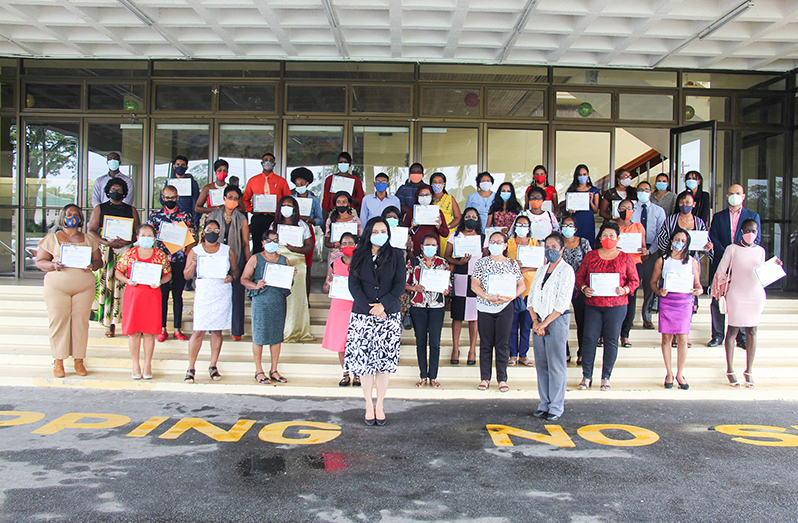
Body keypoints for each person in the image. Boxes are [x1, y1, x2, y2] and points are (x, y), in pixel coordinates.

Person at [345, 217, 406, 426]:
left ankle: (380, 403)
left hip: (388, 316)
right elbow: (354, 286)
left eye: (384, 230)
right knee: (365, 364)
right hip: (363, 315)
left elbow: (399, 285)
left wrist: (384, 306)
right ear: (368, 233)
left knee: (383, 363)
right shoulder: (358, 255)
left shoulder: (397, 254)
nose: (380, 234)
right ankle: (368, 405)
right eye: (376, 231)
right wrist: (371, 309)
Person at [36, 205, 103, 378]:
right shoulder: (52, 238)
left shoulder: (88, 239)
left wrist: (93, 265)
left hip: (84, 287)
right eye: (68, 214)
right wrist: (53, 265)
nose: (72, 217)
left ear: (81, 218)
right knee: (58, 321)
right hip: (57, 287)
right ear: (62, 218)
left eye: (75, 214)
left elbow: (99, 261)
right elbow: (40, 261)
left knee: (81, 323)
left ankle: (79, 360)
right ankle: (58, 361)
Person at [575, 222, 640, 391]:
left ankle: (606, 377)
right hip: (593, 304)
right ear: (600, 238)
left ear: (618, 238)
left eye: (612, 236)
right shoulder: (591, 256)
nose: (608, 238)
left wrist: (625, 289)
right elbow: (579, 277)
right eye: (604, 235)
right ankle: (586, 376)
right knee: (589, 339)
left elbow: (634, 281)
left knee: (611, 340)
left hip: (617, 305)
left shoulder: (625, 257)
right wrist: (584, 288)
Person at [711, 219, 773, 388]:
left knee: (752, 330)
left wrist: (773, 268)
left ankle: (749, 370)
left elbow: (763, 273)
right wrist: (723, 285)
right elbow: (720, 271)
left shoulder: (761, 251)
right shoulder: (732, 249)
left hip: (756, 294)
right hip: (737, 294)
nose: (750, 234)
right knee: (732, 330)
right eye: (747, 231)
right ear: (741, 231)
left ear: (757, 232)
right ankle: (730, 369)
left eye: (753, 231)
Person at [182, 220, 239, 384]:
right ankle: (191, 367)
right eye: (209, 229)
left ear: (219, 232)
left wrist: (231, 277)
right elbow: (186, 275)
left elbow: (235, 271)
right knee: (198, 331)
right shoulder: (195, 250)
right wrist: (193, 262)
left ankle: (213, 365)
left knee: (217, 331)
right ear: (204, 231)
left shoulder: (227, 250)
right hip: (204, 294)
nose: (212, 232)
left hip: (221, 292)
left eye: (215, 230)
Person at [114, 224, 172, 380]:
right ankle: (135, 365)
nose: (146, 238)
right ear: (137, 238)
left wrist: (160, 282)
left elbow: (168, 275)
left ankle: (147, 364)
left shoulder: (160, 255)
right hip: (133, 295)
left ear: (154, 238)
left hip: (152, 295)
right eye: (143, 236)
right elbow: (118, 272)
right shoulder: (129, 254)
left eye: (149, 236)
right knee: (133, 333)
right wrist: (127, 280)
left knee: (149, 333)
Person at [528, 232, 575, 422]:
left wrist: (544, 323)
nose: (550, 250)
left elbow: (562, 302)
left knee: (556, 364)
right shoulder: (541, 270)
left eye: (554, 247)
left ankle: (556, 406)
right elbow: (531, 298)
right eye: (547, 247)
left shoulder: (566, 271)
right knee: (542, 364)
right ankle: (544, 403)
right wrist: (535, 322)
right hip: (538, 321)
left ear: (562, 249)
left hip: (556, 320)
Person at [708, 184, 761, 348]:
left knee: (742, 301)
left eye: (737, 193)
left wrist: (737, 253)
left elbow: (755, 240)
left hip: (743, 267)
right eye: (731, 193)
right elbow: (713, 237)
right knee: (718, 300)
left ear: (743, 196)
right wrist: (728, 253)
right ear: (726, 196)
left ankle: (742, 337)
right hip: (722, 264)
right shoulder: (718, 216)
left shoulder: (752, 215)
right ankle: (717, 335)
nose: (734, 196)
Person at [471, 231, 526, 392]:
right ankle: (485, 378)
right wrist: (487, 297)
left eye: (499, 242)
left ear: (505, 245)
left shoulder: (512, 264)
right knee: (486, 344)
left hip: (505, 307)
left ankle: (502, 379)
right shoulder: (481, 262)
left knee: (503, 344)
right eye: (492, 242)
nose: (495, 245)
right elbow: (474, 285)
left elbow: (521, 285)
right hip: (485, 306)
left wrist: (510, 297)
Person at [87, 177, 140, 338]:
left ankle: (128, 322)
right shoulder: (99, 208)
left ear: (124, 192)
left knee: (126, 287)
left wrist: (128, 240)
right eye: (113, 190)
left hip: (125, 251)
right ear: (107, 191)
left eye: (119, 190)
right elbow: (91, 230)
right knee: (109, 286)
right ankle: (109, 323)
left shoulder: (131, 210)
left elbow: (138, 232)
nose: (115, 192)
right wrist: (106, 242)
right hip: (107, 252)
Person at [240, 230, 295, 385]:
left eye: (275, 240)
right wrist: (255, 285)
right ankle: (258, 370)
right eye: (269, 241)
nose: (272, 244)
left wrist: (291, 276)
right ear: (263, 243)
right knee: (259, 335)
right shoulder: (255, 258)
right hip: (261, 300)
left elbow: (289, 284)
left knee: (276, 336)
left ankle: (274, 369)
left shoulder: (284, 260)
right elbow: (244, 279)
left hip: (278, 300)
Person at [650, 229, 702, 390]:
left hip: (684, 302)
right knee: (666, 338)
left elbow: (698, 284)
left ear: (687, 244)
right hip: (667, 301)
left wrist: (698, 291)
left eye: (683, 241)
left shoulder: (692, 261)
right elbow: (653, 282)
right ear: (671, 240)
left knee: (683, 339)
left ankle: (680, 373)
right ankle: (669, 372)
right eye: (677, 239)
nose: (680, 243)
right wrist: (660, 292)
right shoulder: (663, 260)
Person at [148, 185, 196, 343]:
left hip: (179, 261)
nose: (170, 200)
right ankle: (162, 329)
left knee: (178, 296)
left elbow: (193, 236)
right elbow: (148, 237)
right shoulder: (155, 216)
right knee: (161, 296)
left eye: (173, 198)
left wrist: (191, 234)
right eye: (167, 198)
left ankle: (177, 329)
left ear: (177, 197)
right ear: (162, 197)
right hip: (160, 263)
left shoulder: (185, 216)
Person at [406, 234, 451, 389]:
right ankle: (423, 375)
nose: (431, 247)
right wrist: (414, 288)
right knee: (420, 342)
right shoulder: (413, 263)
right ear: (422, 246)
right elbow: (404, 284)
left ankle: (433, 376)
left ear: (437, 247)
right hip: (418, 306)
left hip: (436, 307)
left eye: (434, 245)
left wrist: (446, 290)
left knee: (435, 343)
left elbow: (448, 284)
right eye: (428, 245)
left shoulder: (443, 263)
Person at [208, 185, 250, 341]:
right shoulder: (213, 215)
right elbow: (206, 236)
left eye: (235, 198)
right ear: (224, 198)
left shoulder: (242, 218)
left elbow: (245, 242)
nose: (232, 200)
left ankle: (236, 331)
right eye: (230, 197)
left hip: (237, 258)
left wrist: (247, 263)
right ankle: (214, 327)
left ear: (239, 201)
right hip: (216, 259)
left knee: (237, 296)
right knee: (216, 293)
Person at [270, 195, 314, 342]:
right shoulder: (274, 226)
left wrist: (296, 248)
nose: (287, 208)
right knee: (280, 297)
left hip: (298, 263)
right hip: (280, 263)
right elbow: (269, 247)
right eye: (284, 205)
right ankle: (280, 330)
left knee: (297, 298)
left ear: (295, 208)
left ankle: (297, 330)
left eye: (290, 205)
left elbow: (309, 247)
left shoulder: (302, 225)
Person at [444, 207, 483, 366]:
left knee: (474, 316)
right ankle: (455, 348)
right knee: (458, 314)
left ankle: (472, 350)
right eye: (467, 216)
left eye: (474, 216)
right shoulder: (455, 235)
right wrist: (459, 262)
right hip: (460, 276)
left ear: (478, 219)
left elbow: (487, 258)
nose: (470, 218)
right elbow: (446, 256)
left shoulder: (483, 237)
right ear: (463, 219)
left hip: (477, 279)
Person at [322, 232, 359, 387]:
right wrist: (328, 285)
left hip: (357, 307)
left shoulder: (362, 264)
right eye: (344, 243)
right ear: (339, 246)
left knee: (356, 341)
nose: (347, 246)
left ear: (356, 246)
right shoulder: (334, 264)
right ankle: (345, 373)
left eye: (350, 243)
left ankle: (357, 374)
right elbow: (325, 287)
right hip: (339, 308)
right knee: (341, 343)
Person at [632, 181, 667, 330]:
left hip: (652, 252)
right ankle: (628, 318)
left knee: (649, 285)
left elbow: (662, 234)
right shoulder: (630, 208)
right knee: (631, 285)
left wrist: (650, 250)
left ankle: (647, 317)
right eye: (640, 189)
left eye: (646, 189)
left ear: (650, 192)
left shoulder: (659, 211)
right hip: (632, 253)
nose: (643, 192)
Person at [506, 214, 539, 367]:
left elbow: (541, 264)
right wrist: (515, 265)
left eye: (525, 225)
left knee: (526, 325)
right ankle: (512, 354)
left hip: (530, 290)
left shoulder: (535, 243)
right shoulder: (508, 243)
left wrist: (525, 268)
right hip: (513, 289)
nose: (522, 228)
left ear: (529, 228)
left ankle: (523, 355)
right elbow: (503, 263)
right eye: (519, 225)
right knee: (512, 324)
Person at [615, 198, 648, 348]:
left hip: (634, 264)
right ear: (617, 209)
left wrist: (645, 251)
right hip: (615, 264)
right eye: (623, 207)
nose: (626, 210)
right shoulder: (612, 226)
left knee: (631, 298)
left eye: (629, 208)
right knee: (613, 296)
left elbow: (644, 249)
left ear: (633, 211)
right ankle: (610, 333)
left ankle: (625, 334)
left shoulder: (639, 226)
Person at [243, 152, 291, 254]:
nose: (268, 162)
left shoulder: (281, 181)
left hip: (275, 217)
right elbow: (245, 199)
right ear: (261, 163)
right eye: (265, 160)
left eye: (270, 160)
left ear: (275, 163)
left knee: (275, 244)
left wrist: (280, 212)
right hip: (258, 217)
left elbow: (288, 199)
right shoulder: (253, 180)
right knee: (258, 244)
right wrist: (251, 210)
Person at [560, 216, 592, 364]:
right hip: (561, 286)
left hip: (580, 287)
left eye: (570, 225)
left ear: (576, 228)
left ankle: (582, 351)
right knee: (561, 319)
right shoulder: (558, 242)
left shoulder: (583, 242)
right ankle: (564, 350)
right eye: (565, 225)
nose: (567, 228)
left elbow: (590, 263)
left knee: (582, 320)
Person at [291, 167, 324, 297]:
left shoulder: (314, 200)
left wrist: (309, 220)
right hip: (292, 231)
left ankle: (306, 297)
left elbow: (320, 219)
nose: (299, 186)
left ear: (307, 184)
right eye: (297, 184)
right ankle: (292, 296)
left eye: (302, 184)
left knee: (307, 266)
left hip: (307, 231)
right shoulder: (290, 198)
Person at [656, 191, 713, 259]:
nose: (684, 205)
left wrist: (709, 245)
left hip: (693, 260)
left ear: (694, 204)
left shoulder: (699, 222)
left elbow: (706, 241)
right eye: (681, 202)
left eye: (688, 202)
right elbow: (661, 239)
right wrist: (672, 246)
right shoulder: (671, 220)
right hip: (672, 258)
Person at [402, 185, 449, 257]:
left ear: (431, 196)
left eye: (427, 195)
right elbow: (403, 233)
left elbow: (445, 233)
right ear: (417, 197)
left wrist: (439, 227)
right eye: (421, 195)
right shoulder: (411, 212)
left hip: (432, 249)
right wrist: (412, 228)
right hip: (415, 248)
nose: (424, 197)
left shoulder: (437, 212)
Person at [564, 164, 601, 242]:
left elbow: (596, 210)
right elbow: (568, 208)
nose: (582, 176)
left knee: (588, 242)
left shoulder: (594, 190)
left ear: (588, 175)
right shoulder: (571, 190)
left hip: (588, 220)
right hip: (576, 219)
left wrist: (590, 201)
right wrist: (570, 210)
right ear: (576, 176)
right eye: (580, 175)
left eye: (584, 174)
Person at [325, 191, 363, 263]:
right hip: (335, 257)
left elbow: (361, 239)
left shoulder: (355, 220)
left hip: (352, 257)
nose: (341, 204)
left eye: (344, 202)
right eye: (338, 202)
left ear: (349, 203)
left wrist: (351, 244)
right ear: (335, 204)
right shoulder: (330, 220)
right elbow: (326, 243)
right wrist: (335, 244)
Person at [430, 172, 461, 254]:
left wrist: (446, 227)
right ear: (431, 184)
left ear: (444, 184)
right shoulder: (428, 199)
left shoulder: (450, 198)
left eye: (440, 182)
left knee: (446, 257)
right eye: (435, 182)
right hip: (432, 232)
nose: (437, 184)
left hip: (447, 233)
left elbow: (458, 217)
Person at [167, 155, 200, 223]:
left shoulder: (192, 183)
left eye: (183, 165)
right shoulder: (169, 182)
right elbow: (163, 200)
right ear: (174, 166)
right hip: (171, 217)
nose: (180, 167)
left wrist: (195, 221)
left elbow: (196, 202)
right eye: (178, 164)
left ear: (186, 167)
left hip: (187, 218)